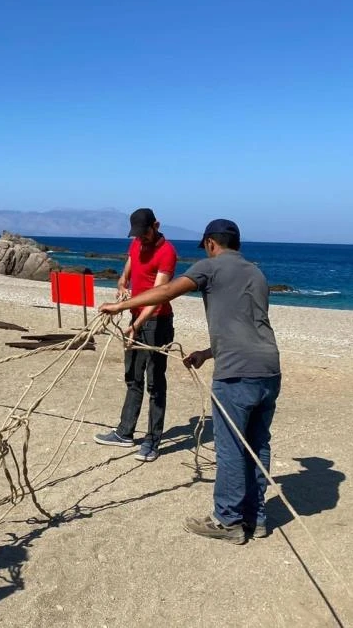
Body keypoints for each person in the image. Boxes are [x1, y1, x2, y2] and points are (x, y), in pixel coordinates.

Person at [99, 219, 281, 544]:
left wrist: (120, 306)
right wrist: (207, 354)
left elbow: (168, 290)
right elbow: (249, 325)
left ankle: (228, 521)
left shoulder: (209, 267)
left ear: (211, 243)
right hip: (268, 368)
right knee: (257, 445)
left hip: (237, 373)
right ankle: (257, 518)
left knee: (231, 449)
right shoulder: (256, 273)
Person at [94, 208, 177, 462]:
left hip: (156, 322)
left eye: (145, 233)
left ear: (157, 225)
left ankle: (152, 441)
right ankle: (125, 432)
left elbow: (158, 295)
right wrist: (121, 286)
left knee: (154, 382)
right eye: (137, 235)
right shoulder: (136, 244)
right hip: (135, 318)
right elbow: (126, 273)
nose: (141, 239)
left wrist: (137, 326)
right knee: (132, 377)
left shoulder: (167, 253)